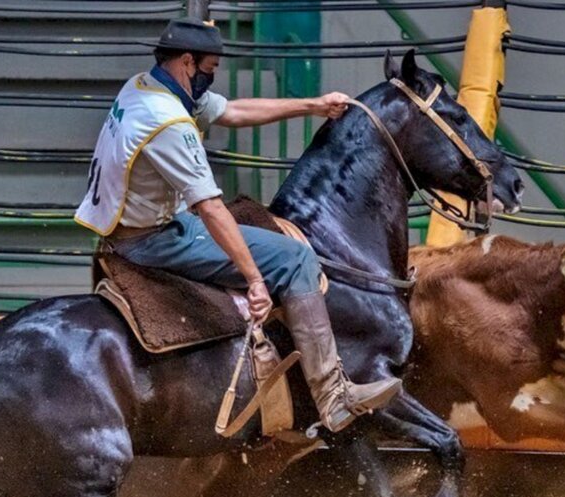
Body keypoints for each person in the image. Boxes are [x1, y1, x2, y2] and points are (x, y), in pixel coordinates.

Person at [75, 17, 401, 432]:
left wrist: (314, 105)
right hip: (156, 239)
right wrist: (255, 280)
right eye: (209, 69)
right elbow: (211, 209)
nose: (212, 79)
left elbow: (233, 111)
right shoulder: (169, 122)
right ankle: (333, 396)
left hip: (130, 228)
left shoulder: (145, 86)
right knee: (297, 259)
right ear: (187, 62)